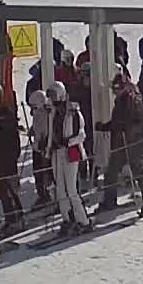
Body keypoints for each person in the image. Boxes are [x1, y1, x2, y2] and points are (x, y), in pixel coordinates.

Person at [96, 76, 143, 217]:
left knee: (139, 171)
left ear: (123, 87)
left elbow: (132, 120)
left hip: (132, 142)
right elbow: (118, 121)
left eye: (117, 88)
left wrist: (111, 127)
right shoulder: (121, 99)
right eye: (114, 89)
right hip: (122, 141)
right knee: (111, 171)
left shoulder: (131, 99)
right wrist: (107, 127)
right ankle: (109, 201)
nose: (115, 91)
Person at [47, 81, 93, 236]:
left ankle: (84, 221)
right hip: (57, 152)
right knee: (60, 189)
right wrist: (48, 148)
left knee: (71, 189)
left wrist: (69, 142)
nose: (52, 99)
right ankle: (68, 219)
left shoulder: (73, 112)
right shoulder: (53, 112)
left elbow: (82, 134)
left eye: (53, 95)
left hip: (70, 152)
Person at [0, 86, 26, 233]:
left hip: (7, 160)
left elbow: (14, 139)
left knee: (10, 191)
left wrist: (13, 157)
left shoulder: (7, 114)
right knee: (2, 193)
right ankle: (10, 219)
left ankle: (17, 219)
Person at [25, 90, 55, 210]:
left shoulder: (48, 113)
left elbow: (48, 129)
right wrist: (32, 130)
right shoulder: (37, 113)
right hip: (37, 147)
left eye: (34, 106)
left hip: (44, 148)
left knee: (46, 172)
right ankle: (42, 195)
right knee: (37, 172)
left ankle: (49, 195)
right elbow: (37, 125)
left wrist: (45, 143)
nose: (32, 109)